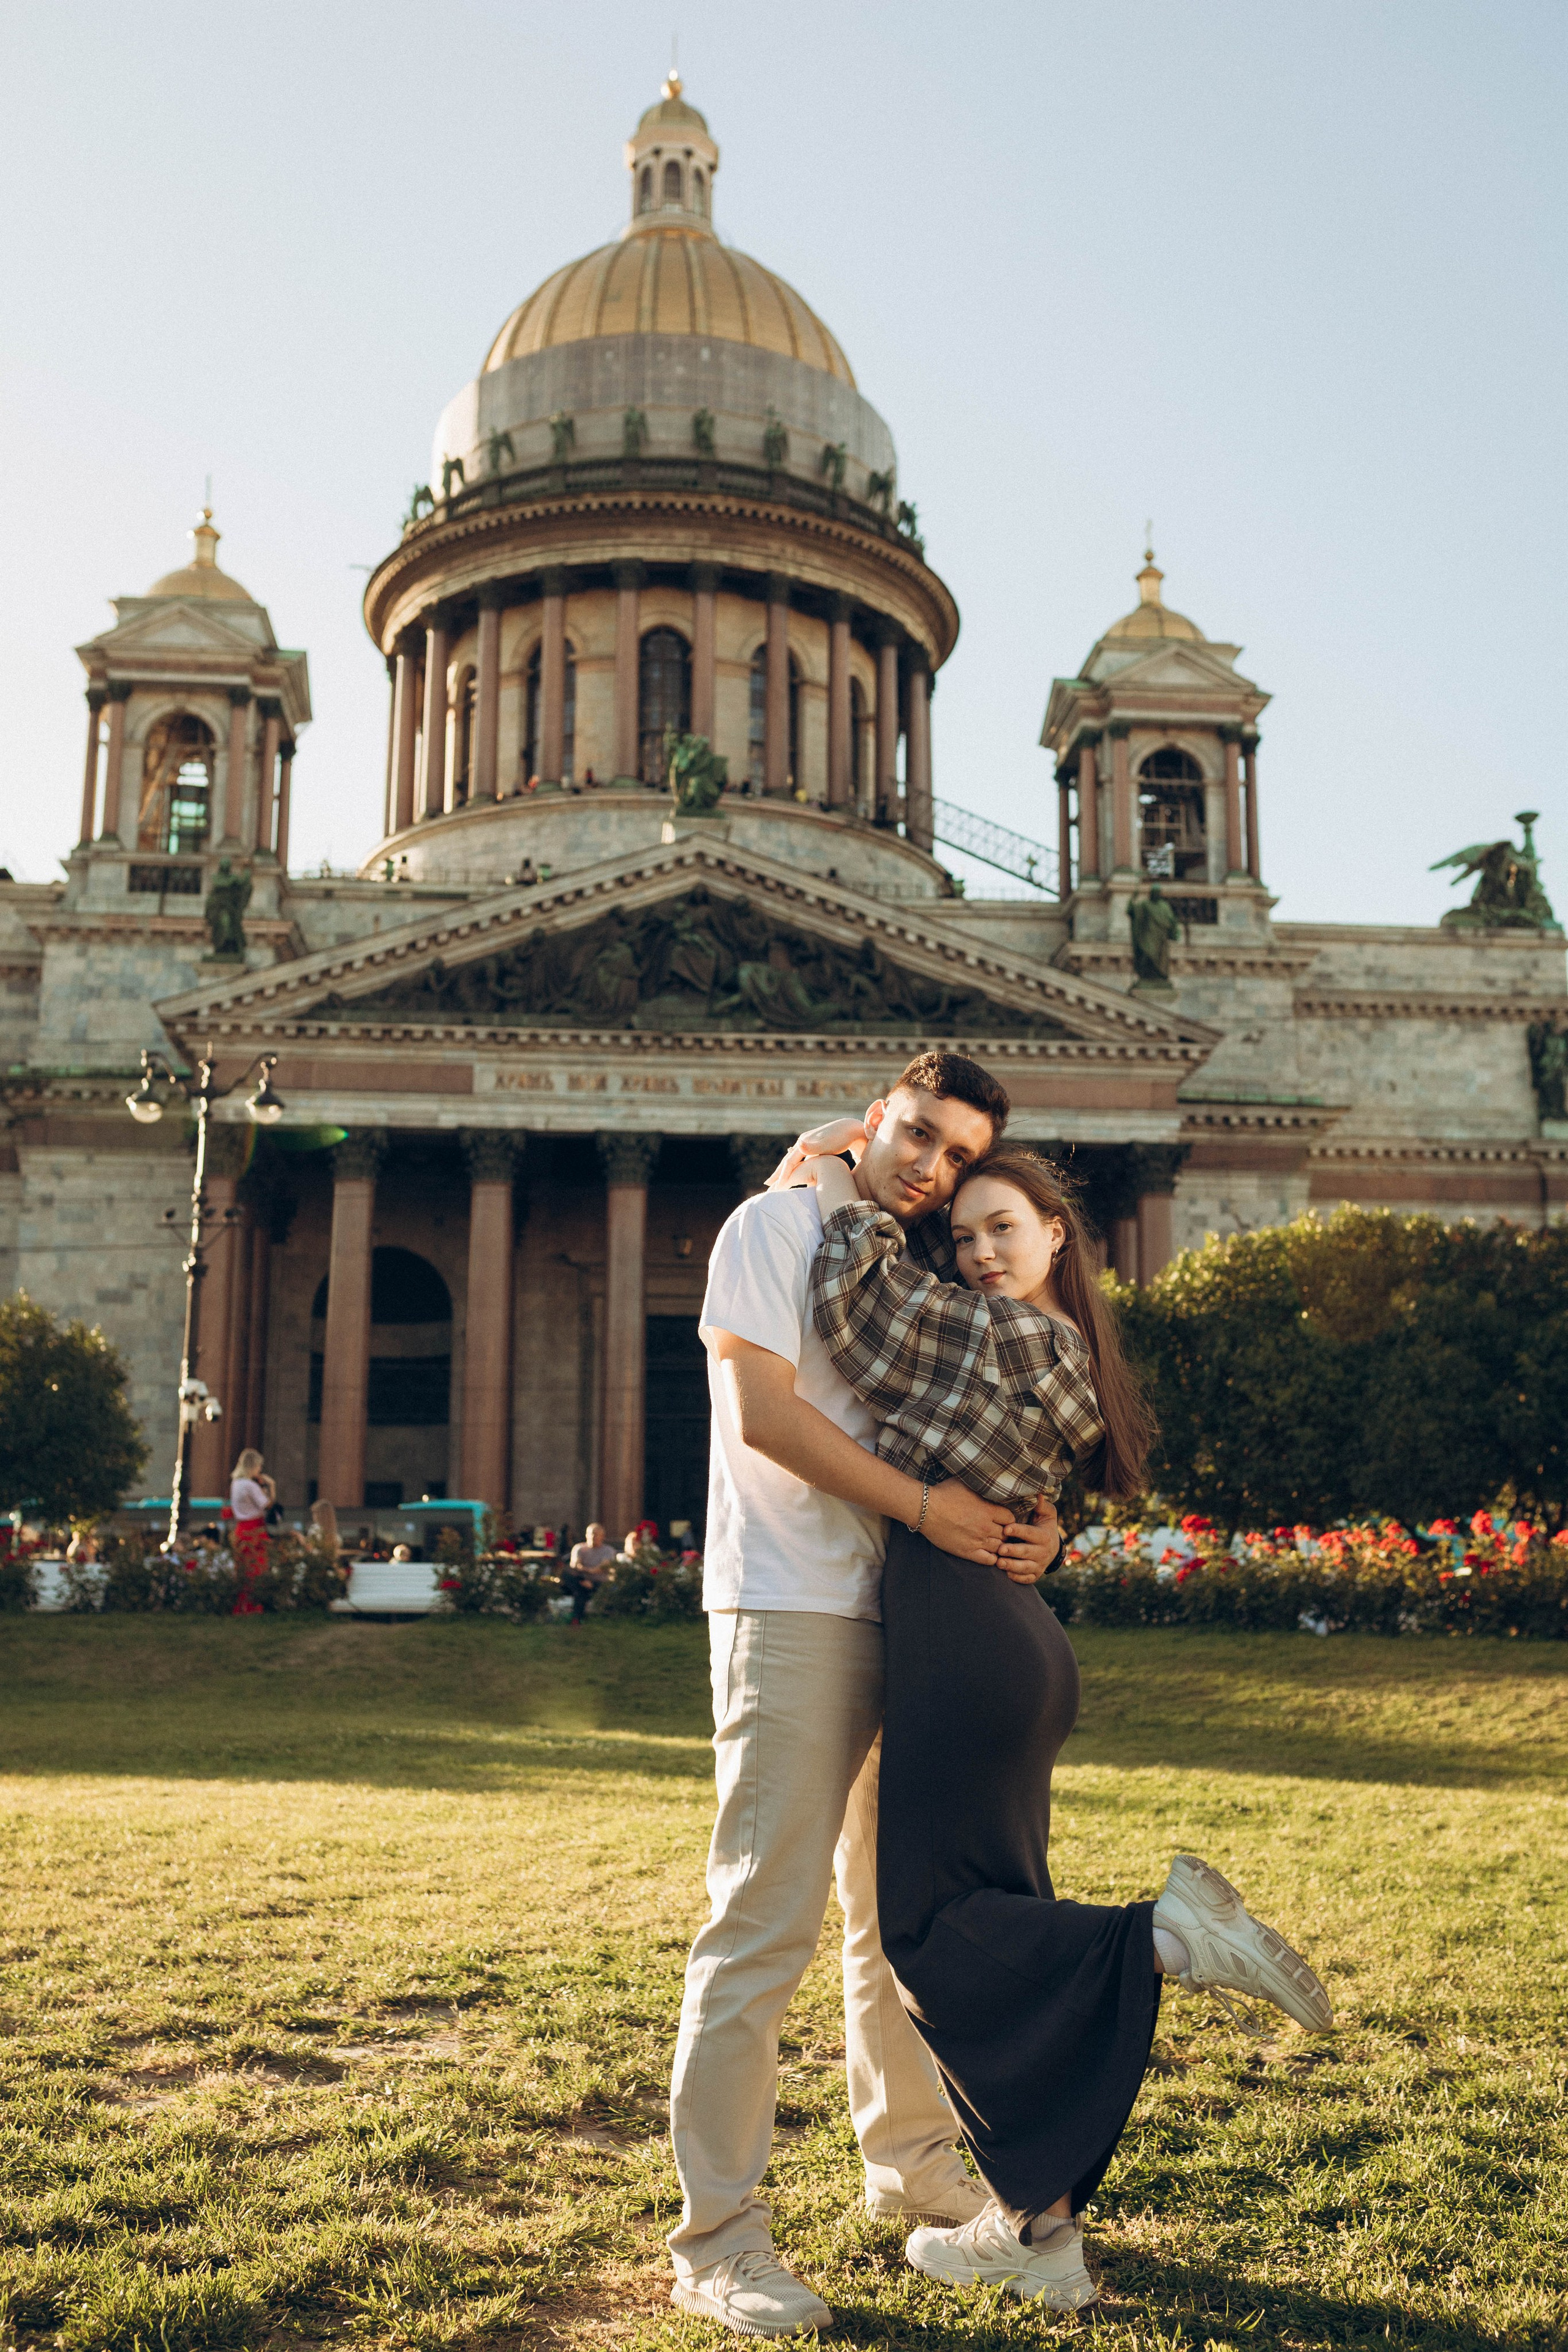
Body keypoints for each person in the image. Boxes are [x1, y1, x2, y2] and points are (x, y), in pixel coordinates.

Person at [794, 1139, 1333, 2312]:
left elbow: (854, 1318)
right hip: (1010, 1639)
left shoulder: (992, 1330)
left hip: (962, 1641)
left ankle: (1163, 1938)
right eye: (964, 1236)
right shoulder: (1062, 1347)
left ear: (1056, 1236)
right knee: (998, 1930)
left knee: (926, 1933)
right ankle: (1040, 2232)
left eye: (1003, 1228)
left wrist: (837, 1183)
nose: (979, 1252)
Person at [666, 1053, 1065, 2340]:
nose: (932, 1170)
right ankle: (718, 2242)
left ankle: (911, 2167)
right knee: (760, 1926)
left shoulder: (913, 1263)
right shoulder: (772, 1226)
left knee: (899, 1921)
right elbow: (764, 1419)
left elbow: (991, 1411)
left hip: (920, 1613)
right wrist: (930, 1511)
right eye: (919, 1136)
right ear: (875, 1115)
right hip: (791, 1605)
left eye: (959, 1158)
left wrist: (1036, 1522)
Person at [228, 1449, 274, 1614]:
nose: (260, 1470)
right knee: (257, 1567)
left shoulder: (236, 1483)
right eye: (259, 1466)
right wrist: (271, 1487)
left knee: (243, 1568)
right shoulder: (250, 1485)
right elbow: (267, 1505)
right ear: (252, 1466)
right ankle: (254, 1605)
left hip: (241, 1529)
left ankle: (241, 1605)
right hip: (255, 1529)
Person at [562, 1522, 616, 1621]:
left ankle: (576, 1618)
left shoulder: (608, 1550)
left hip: (599, 1583)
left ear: (603, 1536)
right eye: (591, 1534)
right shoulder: (579, 1548)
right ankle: (577, 1620)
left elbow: (603, 1567)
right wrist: (585, 1578)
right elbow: (575, 1566)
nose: (593, 1537)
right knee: (568, 1574)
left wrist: (586, 1570)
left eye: (596, 1534)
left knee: (581, 1591)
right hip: (581, 1581)